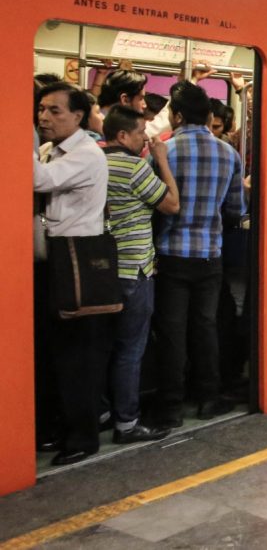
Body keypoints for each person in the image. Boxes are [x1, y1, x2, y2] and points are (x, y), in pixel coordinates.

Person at [152, 81, 246, 428]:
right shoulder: (229, 154)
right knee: (206, 326)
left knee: (172, 330)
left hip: (171, 252)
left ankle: (170, 407)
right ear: (209, 115)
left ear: (176, 115)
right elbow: (236, 208)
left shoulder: (165, 151)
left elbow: (155, 204)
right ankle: (208, 397)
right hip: (210, 254)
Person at [32, 82, 110, 466]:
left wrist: (19, 135)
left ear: (78, 116)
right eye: (41, 110)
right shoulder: (49, 151)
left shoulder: (87, 155)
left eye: (54, 111)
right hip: (51, 262)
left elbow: (39, 181)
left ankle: (83, 437)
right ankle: (54, 428)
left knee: (75, 356)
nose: (44, 117)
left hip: (75, 260)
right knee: (50, 352)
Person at [101, 106, 180, 444]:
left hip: (103, 269)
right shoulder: (134, 167)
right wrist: (161, 159)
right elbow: (171, 204)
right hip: (134, 267)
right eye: (140, 135)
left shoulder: (96, 162)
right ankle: (127, 422)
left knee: (104, 346)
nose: (144, 141)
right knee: (131, 349)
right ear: (122, 136)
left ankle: (103, 411)